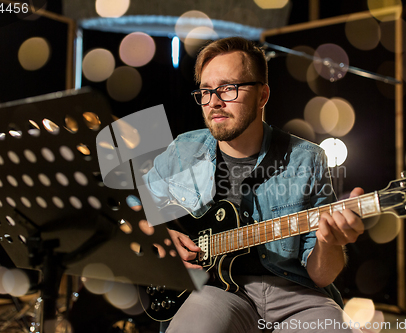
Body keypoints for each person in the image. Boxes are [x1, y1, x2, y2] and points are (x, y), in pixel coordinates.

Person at [141, 37, 365, 333]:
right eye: (206, 91)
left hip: (295, 292)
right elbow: (132, 211)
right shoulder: (184, 149)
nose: (214, 102)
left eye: (228, 88)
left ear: (262, 96)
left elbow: (321, 276)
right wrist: (158, 235)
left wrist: (330, 242)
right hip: (214, 291)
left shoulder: (307, 159)